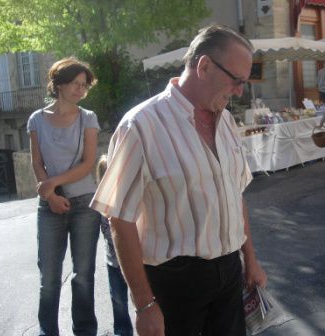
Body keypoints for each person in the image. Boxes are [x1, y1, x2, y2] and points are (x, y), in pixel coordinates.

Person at [90, 24, 267, 336]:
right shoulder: (140, 125)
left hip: (229, 272)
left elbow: (235, 194)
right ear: (204, 66)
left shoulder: (225, 119)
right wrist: (144, 305)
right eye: (236, 80)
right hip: (173, 283)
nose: (241, 90)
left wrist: (249, 258)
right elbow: (119, 218)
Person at [27, 57, 100, 335]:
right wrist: (50, 196)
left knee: (83, 275)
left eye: (84, 85)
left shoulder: (88, 118)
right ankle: (49, 331)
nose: (80, 90)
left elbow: (88, 162)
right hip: (49, 206)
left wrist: (51, 183)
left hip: (84, 205)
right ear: (58, 84)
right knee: (49, 277)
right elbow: (37, 163)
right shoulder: (37, 120)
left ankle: (84, 330)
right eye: (75, 84)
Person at [96, 154, 133, 336]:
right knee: (118, 301)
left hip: (135, 261)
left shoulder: (130, 199)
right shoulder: (100, 206)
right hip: (113, 263)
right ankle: (122, 331)